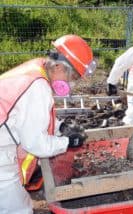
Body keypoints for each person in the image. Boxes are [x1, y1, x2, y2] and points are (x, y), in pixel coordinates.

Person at [0, 34, 96, 214]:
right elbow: (36, 144)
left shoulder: (37, 69)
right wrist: (68, 142)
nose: (72, 84)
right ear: (59, 66)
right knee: (18, 210)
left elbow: (27, 115)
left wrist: (60, 127)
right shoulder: (38, 88)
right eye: (73, 76)